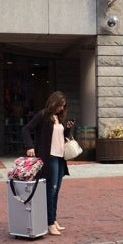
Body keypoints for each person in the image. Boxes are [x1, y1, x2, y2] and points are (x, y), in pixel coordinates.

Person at [22, 91, 74, 236]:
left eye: (64, 106)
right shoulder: (43, 115)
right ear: (54, 103)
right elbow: (26, 129)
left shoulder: (58, 118)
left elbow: (61, 137)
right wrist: (30, 146)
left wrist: (68, 128)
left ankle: (53, 219)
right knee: (50, 191)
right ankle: (49, 222)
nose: (62, 109)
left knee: (55, 191)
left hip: (59, 158)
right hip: (49, 157)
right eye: (60, 105)